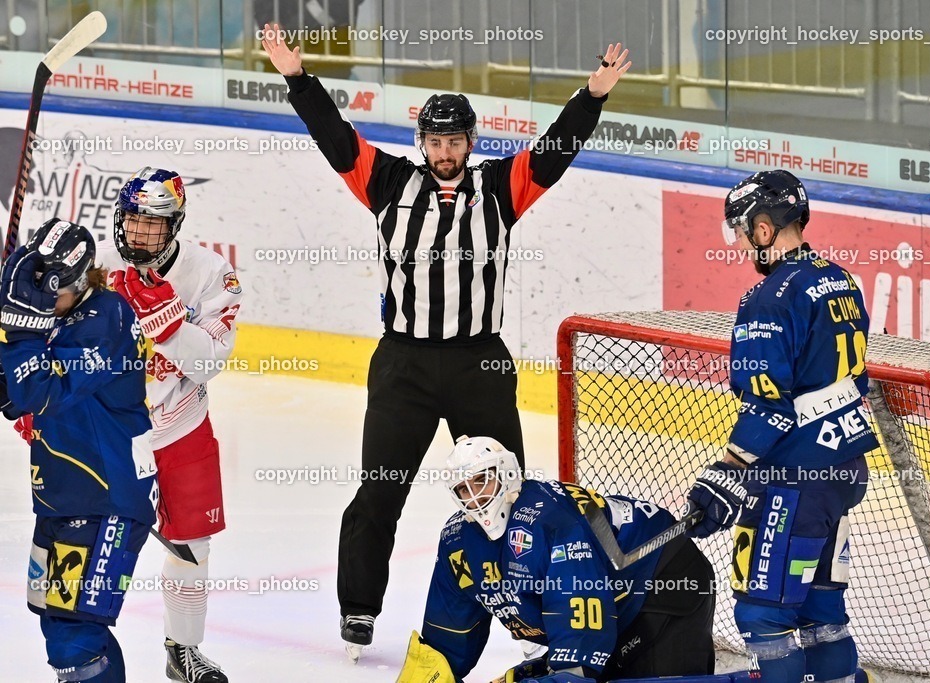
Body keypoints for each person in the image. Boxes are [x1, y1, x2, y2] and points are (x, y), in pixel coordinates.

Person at [261, 23, 634, 658]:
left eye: (454, 142)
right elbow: (334, 138)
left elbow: (554, 152)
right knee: (379, 487)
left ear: (469, 144)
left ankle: (537, 612)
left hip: (478, 364)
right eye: (435, 142)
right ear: (422, 144)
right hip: (403, 361)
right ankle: (358, 608)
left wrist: (592, 96)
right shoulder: (387, 184)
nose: (444, 153)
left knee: (510, 491)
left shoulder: (499, 189)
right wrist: (299, 79)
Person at [685, 170, 877, 682]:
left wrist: (728, 467)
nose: (743, 243)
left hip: (794, 478)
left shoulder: (767, 299)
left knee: (763, 616)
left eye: (743, 231)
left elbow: (769, 403)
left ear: (764, 229)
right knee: (821, 614)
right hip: (843, 470)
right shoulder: (840, 279)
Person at [397, 436, 716, 683]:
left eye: (482, 480)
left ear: (506, 473)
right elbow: (447, 639)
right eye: (464, 489)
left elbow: (582, 629)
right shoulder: (458, 541)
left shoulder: (552, 523)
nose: (475, 496)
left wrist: (569, 671)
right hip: (613, 607)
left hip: (664, 579)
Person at [94, 167, 242, 683]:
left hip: (182, 422)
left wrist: (168, 320)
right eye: (132, 220)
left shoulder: (209, 273)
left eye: (153, 225)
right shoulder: (100, 267)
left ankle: (183, 650)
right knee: (96, 540)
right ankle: (85, 644)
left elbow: (210, 361)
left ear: (175, 225)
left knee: (191, 544)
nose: (139, 233)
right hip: (112, 430)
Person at [0, 218, 156, 682]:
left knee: (75, 637)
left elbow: (37, 392)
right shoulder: (61, 315)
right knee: (63, 618)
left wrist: (20, 331)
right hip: (64, 493)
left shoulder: (107, 319)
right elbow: (14, 395)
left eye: (50, 297)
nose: (43, 305)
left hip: (107, 498)